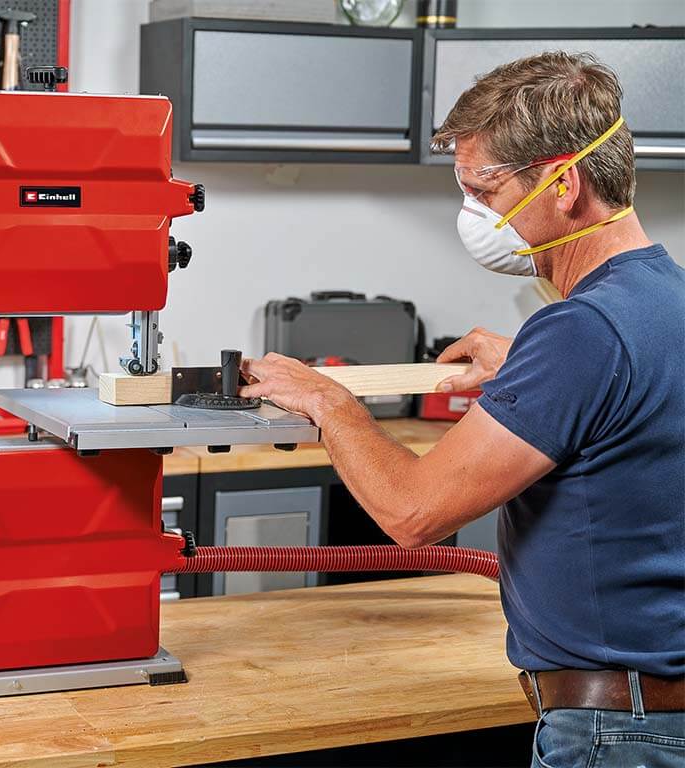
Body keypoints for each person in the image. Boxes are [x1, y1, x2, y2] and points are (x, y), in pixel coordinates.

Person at [240, 52, 684, 767]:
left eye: (486, 189)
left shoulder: (581, 331)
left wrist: (329, 400)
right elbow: (636, 411)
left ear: (565, 182)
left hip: (616, 733)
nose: (477, 215)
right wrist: (529, 372)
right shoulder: (666, 299)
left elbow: (414, 515)